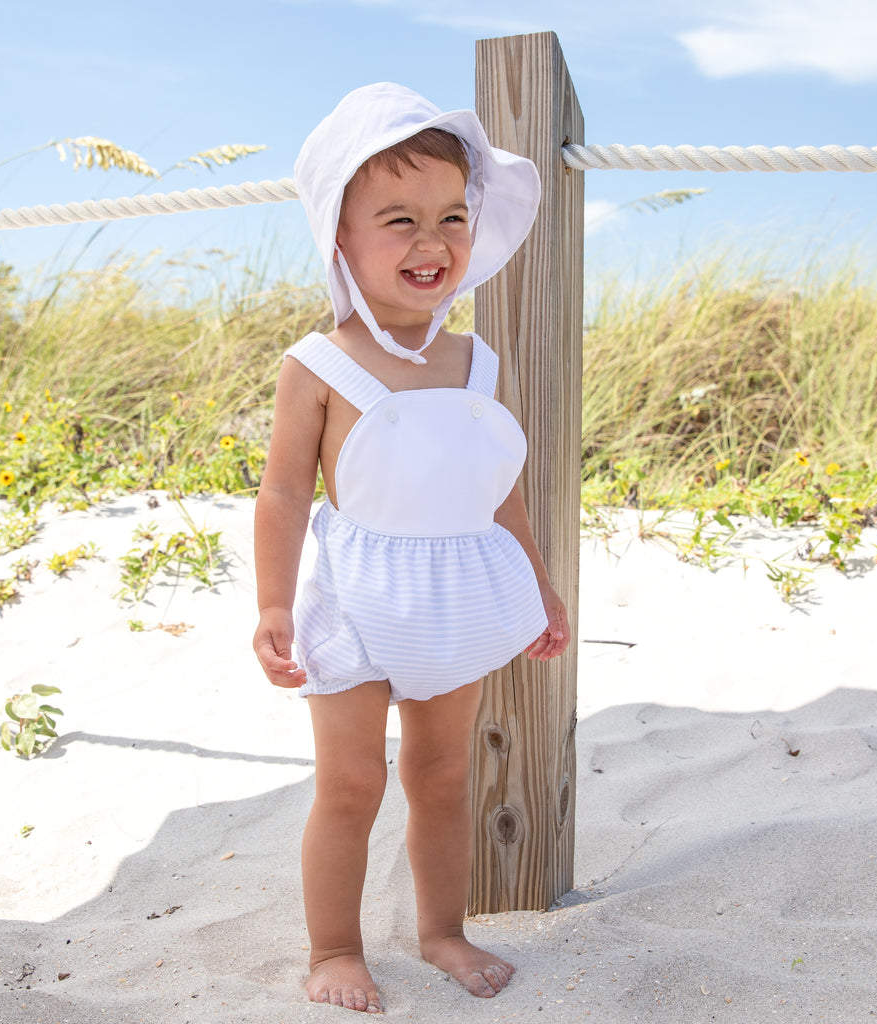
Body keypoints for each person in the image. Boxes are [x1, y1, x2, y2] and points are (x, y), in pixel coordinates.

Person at [252, 82, 571, 1014]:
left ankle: (441, 931)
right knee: (352, 783)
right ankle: (335, 948)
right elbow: (281, 493)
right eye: (399, 220)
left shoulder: (477, 362)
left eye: (452, 218)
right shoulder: (319, 365)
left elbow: (497, 492)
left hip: (460, 596)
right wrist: (273, 603)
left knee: (441, 775)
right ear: (340, 240)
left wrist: (540, 592)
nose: (431, 242)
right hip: (356, 600)